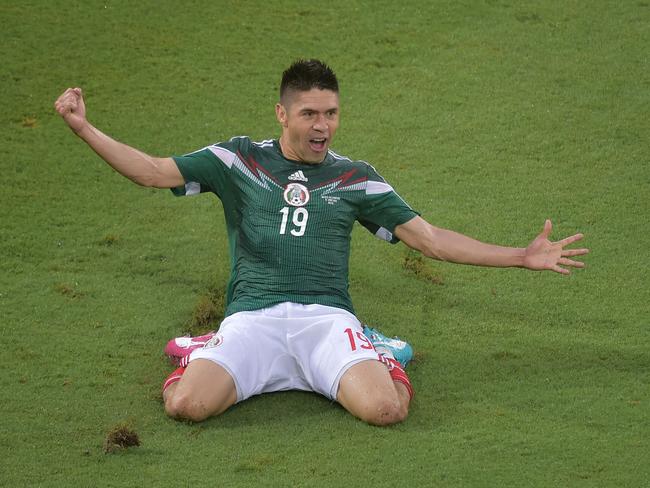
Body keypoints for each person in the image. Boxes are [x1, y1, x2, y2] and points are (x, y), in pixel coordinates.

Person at [54, 59, 588, 426]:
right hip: (253, 320)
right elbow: (151, 172)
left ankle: (381, 356)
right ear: (282, 113)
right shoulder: (237, 160)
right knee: (185, 409)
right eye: (310, 113)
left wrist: (521, 256)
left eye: (331, 113)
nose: (322, 126)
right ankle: (197, 355)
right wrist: (84, 128)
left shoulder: (355, 177)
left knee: (387, 413)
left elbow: (431, 240)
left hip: (326, 321)